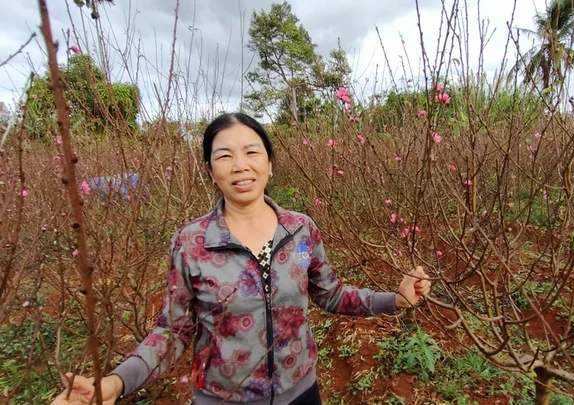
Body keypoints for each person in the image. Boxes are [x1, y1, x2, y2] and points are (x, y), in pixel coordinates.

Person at [51, 112, 432, 405]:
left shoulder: (300, 230)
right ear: (210, 170)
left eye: (252, 152)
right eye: (224, 155)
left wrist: (394, 299)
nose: (240, 164)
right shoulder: (191, 242)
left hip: (300, 392)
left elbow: (330, 294)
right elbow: (174, 330)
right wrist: (117, 381)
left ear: (269, 163)